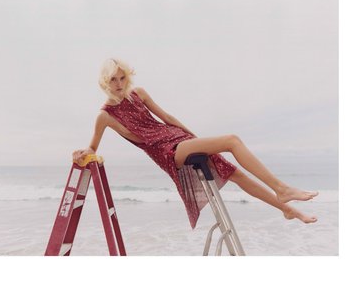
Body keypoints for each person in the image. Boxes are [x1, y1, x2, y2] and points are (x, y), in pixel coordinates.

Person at [73, 58, 318, 229]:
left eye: (122, 77)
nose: (119, 83)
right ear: (105, 82)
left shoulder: (139, 94)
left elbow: (167, 118)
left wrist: (194, 137)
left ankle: (288, 209)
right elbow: (93, 146)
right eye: (113, 79)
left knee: (236, 174)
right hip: (166, 151)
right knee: (232, 140)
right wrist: (83, 152)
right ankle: (282, 189)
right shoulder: (105, 115)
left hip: (179, 139)